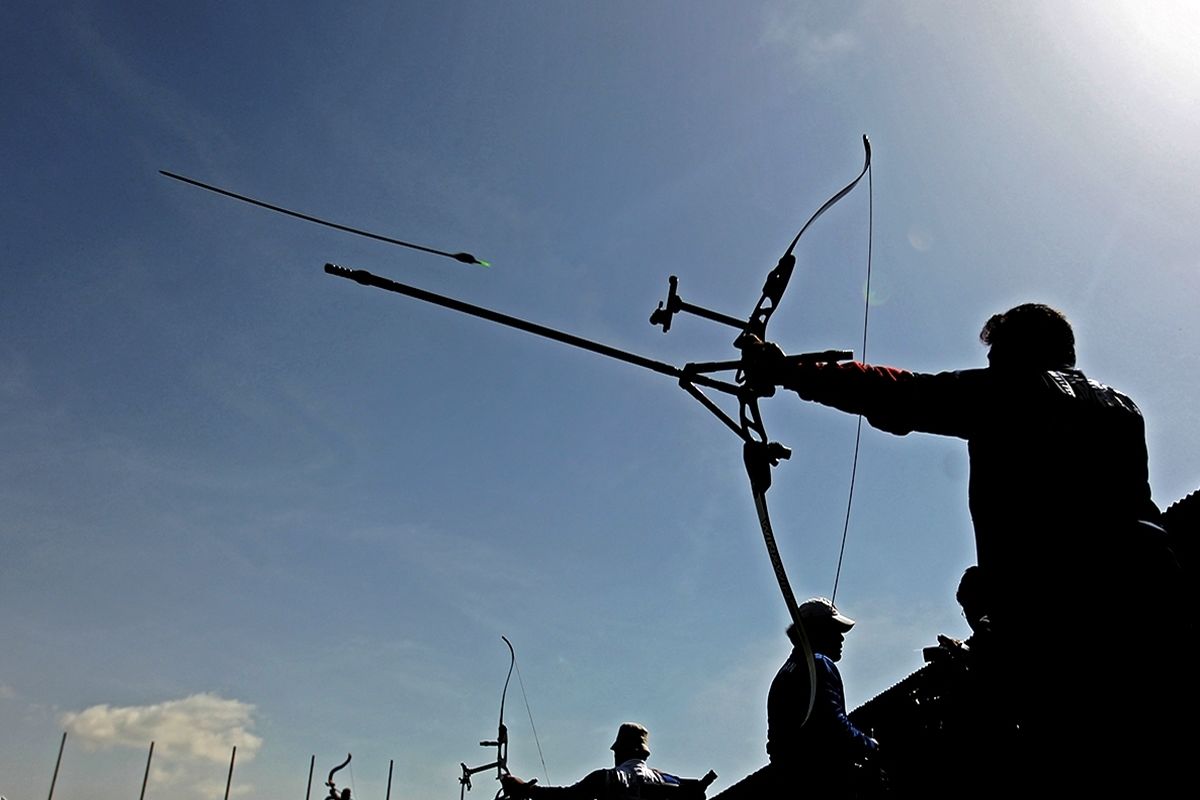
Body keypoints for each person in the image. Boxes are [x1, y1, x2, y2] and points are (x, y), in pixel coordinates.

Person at [747, 303, 1187, 788]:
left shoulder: (1014, 390)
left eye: (998, 355)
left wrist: (788, 370)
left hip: (1067, 628)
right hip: (1158, 600)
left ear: (1022, 352)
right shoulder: (1124, 409)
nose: (990, 366)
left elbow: (903, 392)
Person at [713, 598, 879, 800]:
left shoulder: (784, 673)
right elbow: (833, 724)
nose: (841, 639)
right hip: (821, 782)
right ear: (817, 631)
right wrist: (868, 744)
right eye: (834, 630)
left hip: (791, 785)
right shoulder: (820, 665)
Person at [501, 722, 714, 799]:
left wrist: (525, 789)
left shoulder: (608, 778)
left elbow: (567, 796)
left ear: (619, 752)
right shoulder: (668, 780)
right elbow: (694, 791)